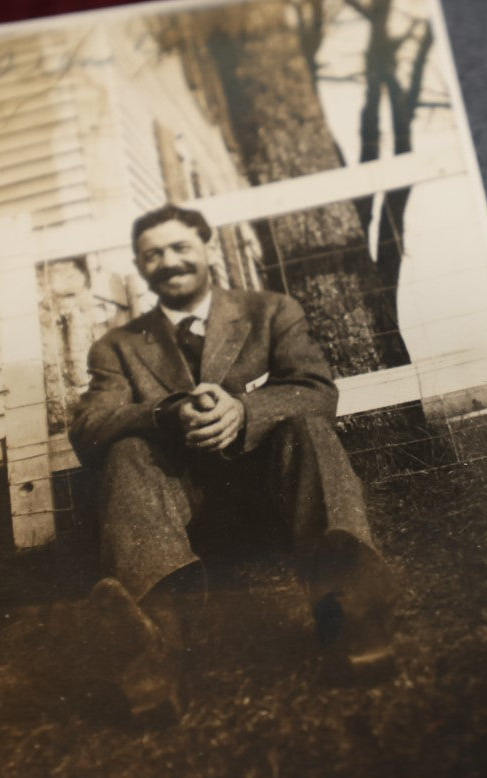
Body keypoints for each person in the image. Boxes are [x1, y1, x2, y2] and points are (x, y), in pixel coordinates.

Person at [69, 203, 395, 721]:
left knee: (306, 427)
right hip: (179, 508)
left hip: (275, 491)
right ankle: (155, 654)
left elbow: (316, 391)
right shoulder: (118, 347)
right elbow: (89, 427)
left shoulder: (272, 311)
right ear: (140, 266)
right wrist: (165, 413)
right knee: (126, 450)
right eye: (153, 255)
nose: (169, 262)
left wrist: (244, 412)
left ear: (208, 249)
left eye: (180, 247)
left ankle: (352, 615)